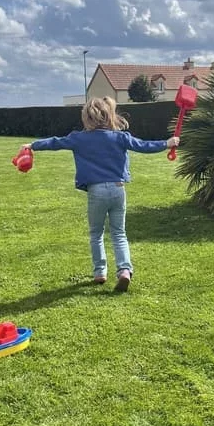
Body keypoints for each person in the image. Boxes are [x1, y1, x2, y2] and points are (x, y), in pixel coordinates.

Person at [22, 97, 179, 292]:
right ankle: (124, 270)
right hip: (118, 189)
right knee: (119, 233)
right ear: (109, 116)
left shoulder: (78, 138)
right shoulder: (120, 137)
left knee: (96, 233)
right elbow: (143, 145)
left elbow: (55, 143)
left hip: (96, 191)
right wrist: (167, 143)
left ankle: (100, 272)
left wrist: (33, 145)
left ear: (86, 117)